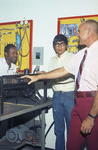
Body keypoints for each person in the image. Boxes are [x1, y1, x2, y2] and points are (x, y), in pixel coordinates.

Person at [21, 19, 98, 150]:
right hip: (78, 101)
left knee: (93, 144)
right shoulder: (81, 54)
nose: (77, 35)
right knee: (72, 144)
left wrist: (91, 117)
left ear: (88, 31)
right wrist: (38, 76)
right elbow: (63, 70)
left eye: (79, 32)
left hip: (92, 102)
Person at [48, 34, 75, 150]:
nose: (59, 47)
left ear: (66, 45)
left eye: (62, 44)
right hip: (57, 96)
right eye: (56, 44)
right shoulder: (51, 60)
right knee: (59, 130)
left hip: (70, 95)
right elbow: (50, 76)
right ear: (54, 46)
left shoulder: (72, 57)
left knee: (71, 128)